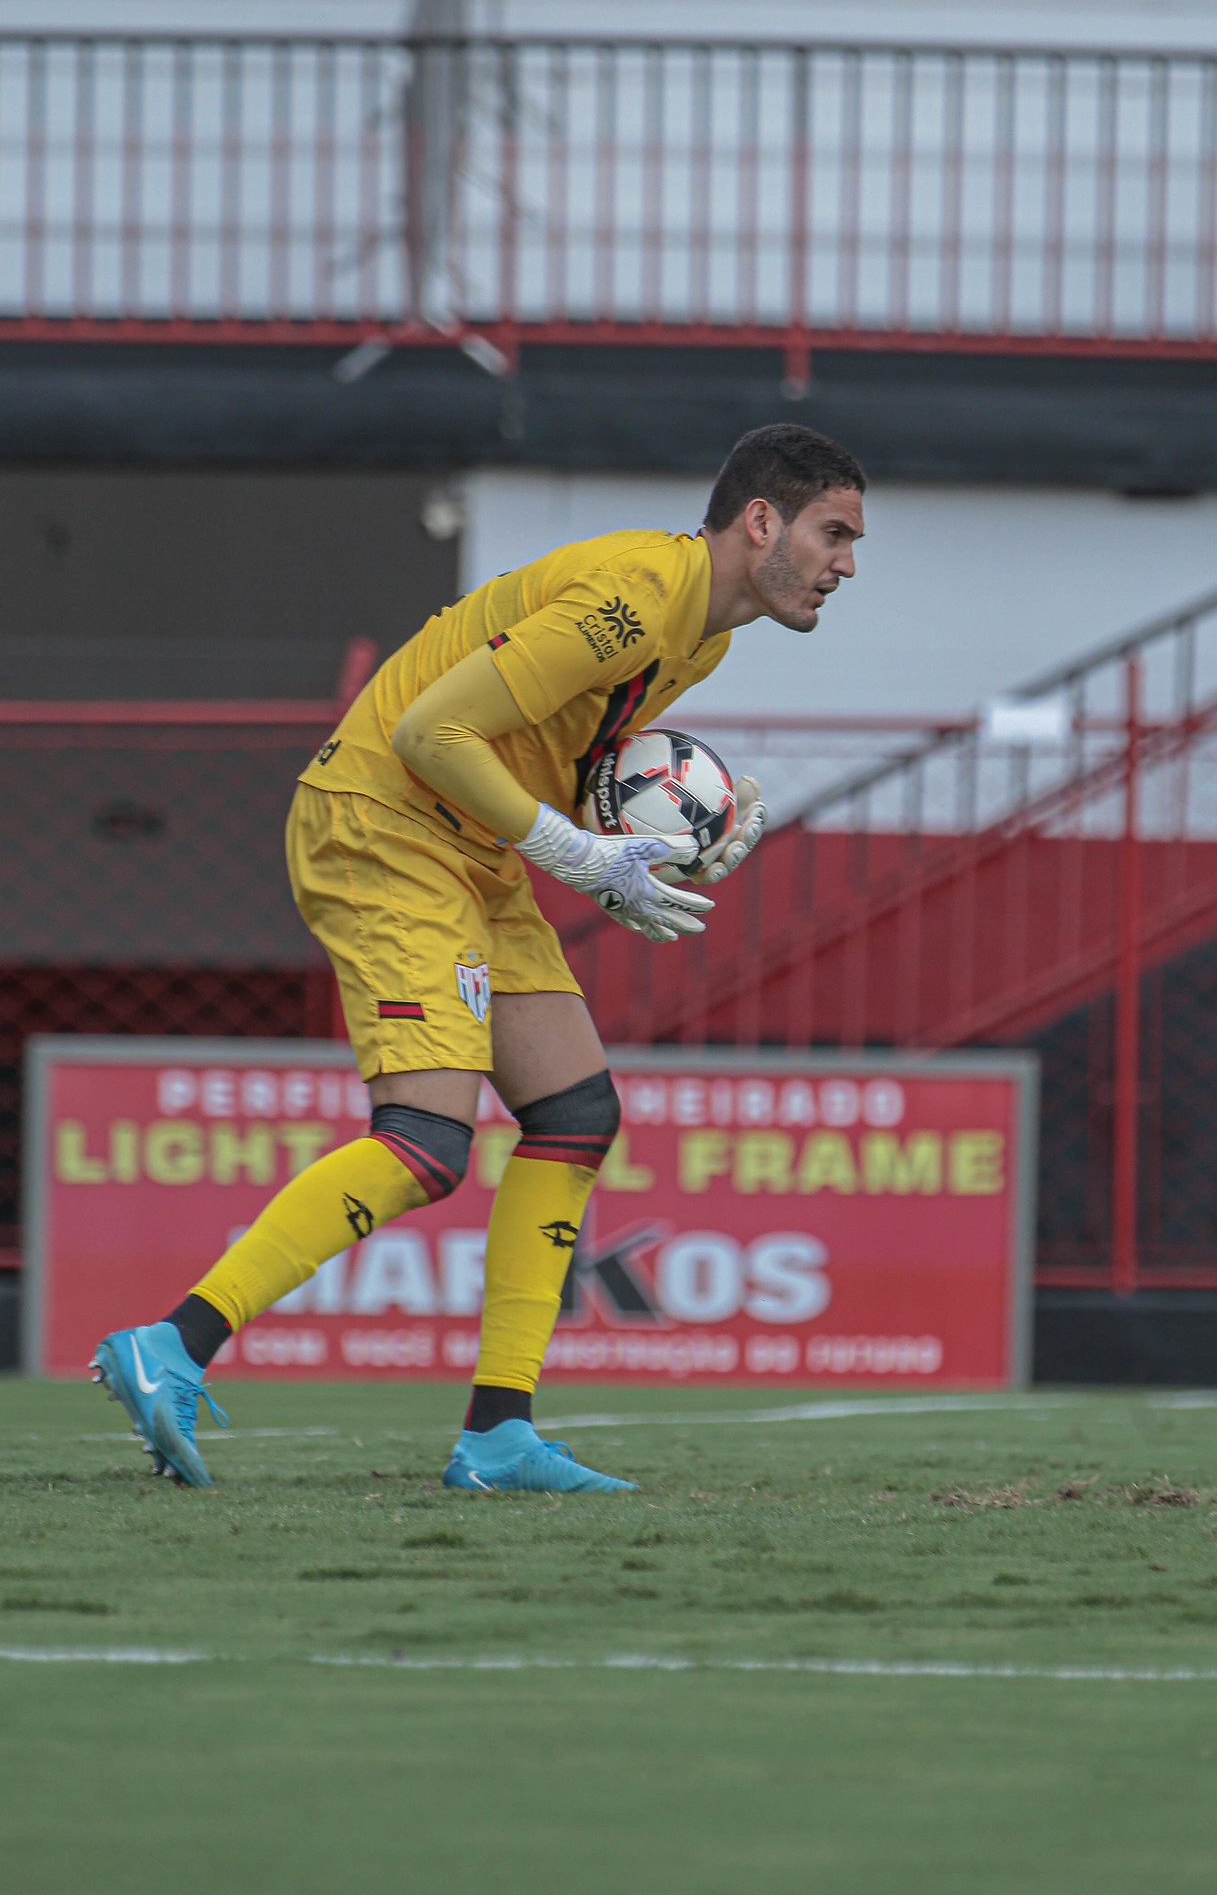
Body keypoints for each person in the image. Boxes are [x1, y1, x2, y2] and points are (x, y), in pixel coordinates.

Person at [91, 423, 866, 1496]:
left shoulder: (703, 635)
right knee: (425, 1136)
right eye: (834, 532)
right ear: (761, 520)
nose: (847, 563)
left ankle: (498, 1434)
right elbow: (431, 732)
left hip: (471, 845)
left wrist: (619, 860)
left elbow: (538, 752)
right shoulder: (637, 598)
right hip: (384, 823)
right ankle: (171, 1341)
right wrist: (580, 852)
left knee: (575, 1112)